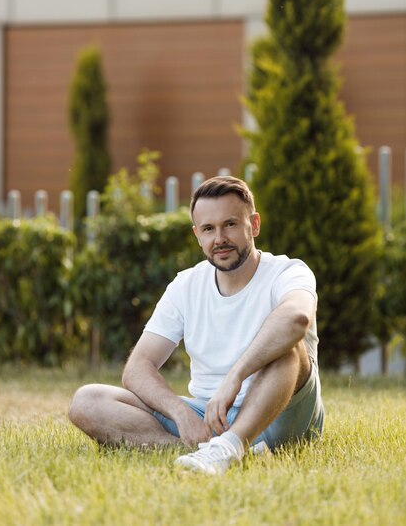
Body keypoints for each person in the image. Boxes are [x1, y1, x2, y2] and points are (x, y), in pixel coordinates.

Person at [69, 176, 324, 475]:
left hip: (281, 413)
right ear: (197, 235)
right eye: (208, 229)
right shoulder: (186, 285)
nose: (220, 239)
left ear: (253, 225)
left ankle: (232, 444)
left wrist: (235, 377)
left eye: (230, 224)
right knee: (86, 401)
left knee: (289, 349)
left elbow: (297, 318)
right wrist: (181, 414)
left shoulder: (289, 271)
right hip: (207, 415)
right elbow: (138, 367)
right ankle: (204, 450)